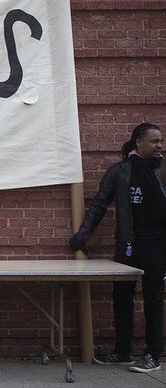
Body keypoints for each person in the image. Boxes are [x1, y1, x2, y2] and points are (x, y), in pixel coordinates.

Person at [69, 122, 166, 374]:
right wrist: (82, 235)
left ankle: (153, 355)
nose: (159, 146)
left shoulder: (163, 170)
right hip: (128, 244)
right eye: (154, 141)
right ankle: (123, 352)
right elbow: (99, 205)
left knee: (153, 299)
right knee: (121, 298)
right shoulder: (120, 171)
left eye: (160, 141)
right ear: (139, 143)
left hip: (157, 245)